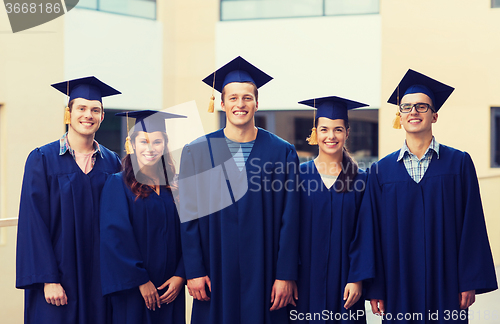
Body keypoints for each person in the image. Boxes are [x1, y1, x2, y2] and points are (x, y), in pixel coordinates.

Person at [362, 69, 498, 323]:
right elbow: (372, 233)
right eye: (407, 107)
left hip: (446, 280)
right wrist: (376, 287)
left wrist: (468, 280)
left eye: (422, 107)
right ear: (399, 116)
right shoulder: (381, 171)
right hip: (397, 281)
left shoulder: (458, 163)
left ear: (434, 115)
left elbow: (472, 224)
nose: (414, 111)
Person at [178, 56, 300, 324]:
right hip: (214, 269)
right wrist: (194, 270)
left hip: (266, 272)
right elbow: (188, 216)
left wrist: (285, 274)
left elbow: (291, 219)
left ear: (257, 103)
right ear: (221, 103)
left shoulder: (282, 152)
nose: (240, 104)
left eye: (247, 98)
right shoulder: (197, 152)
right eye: (233, 98)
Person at [16, 76, 122, 324]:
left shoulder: (112, 162)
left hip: (99, 278)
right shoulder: (42, 159)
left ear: (102, 116)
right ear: (69, 113)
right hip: (58, 278)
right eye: (82, 108)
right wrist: (48, 279)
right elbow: (34, 223)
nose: (88, 115)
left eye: (95, 110)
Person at [293, 96, 375, 323]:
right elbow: (287, 231)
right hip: (304, 283)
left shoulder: (361, 180)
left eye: (338, 129)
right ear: (315, 133)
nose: (331, 136)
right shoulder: (298, 177)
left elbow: (365, 234)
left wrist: (357, 278)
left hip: (346, 285)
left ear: (347, 132)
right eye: (324, 129)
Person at [100, 110, 187, 324]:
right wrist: (140, 281)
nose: (150, 148)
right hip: (134, 290)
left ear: (165, 146)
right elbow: (115, 237)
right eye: (144, 141)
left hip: (170, 289)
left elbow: (191, 232)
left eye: (157, 142)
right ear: (132, 144)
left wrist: (180, 276)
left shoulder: (175, 186)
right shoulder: (118, 184)